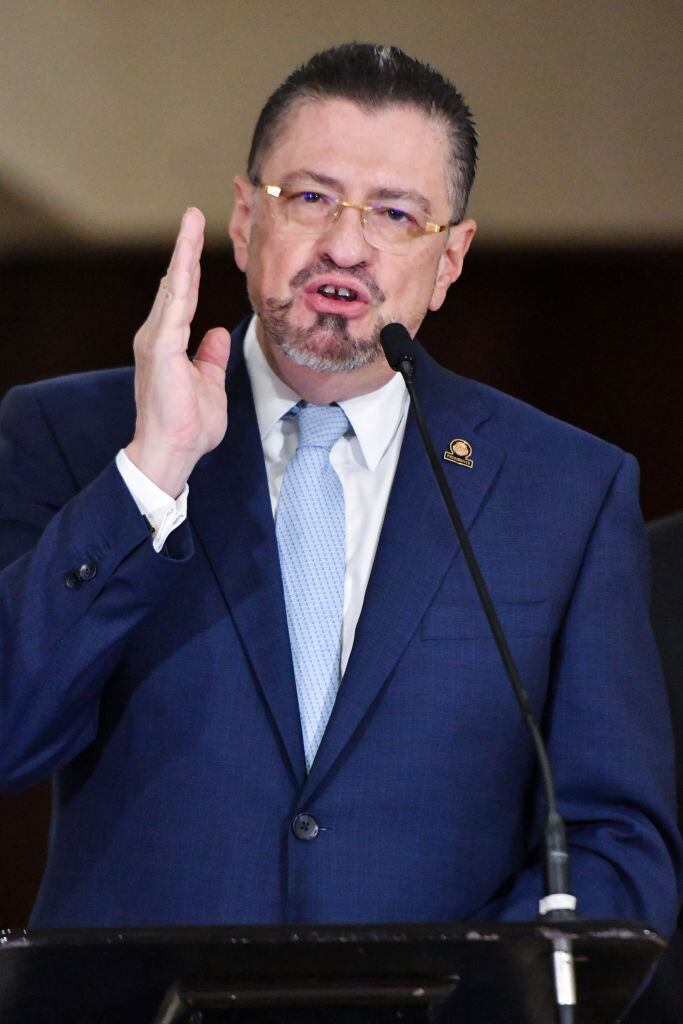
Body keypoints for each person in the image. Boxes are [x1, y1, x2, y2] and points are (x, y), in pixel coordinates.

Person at [0, 43, 680, 934]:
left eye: (397, 214)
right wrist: (152, 473)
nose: (346, 246)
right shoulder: (73, 435)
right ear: (245, 220)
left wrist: (464, 994)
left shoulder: (566, 490)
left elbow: (614, 842)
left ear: (449, 260)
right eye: (310, 198)